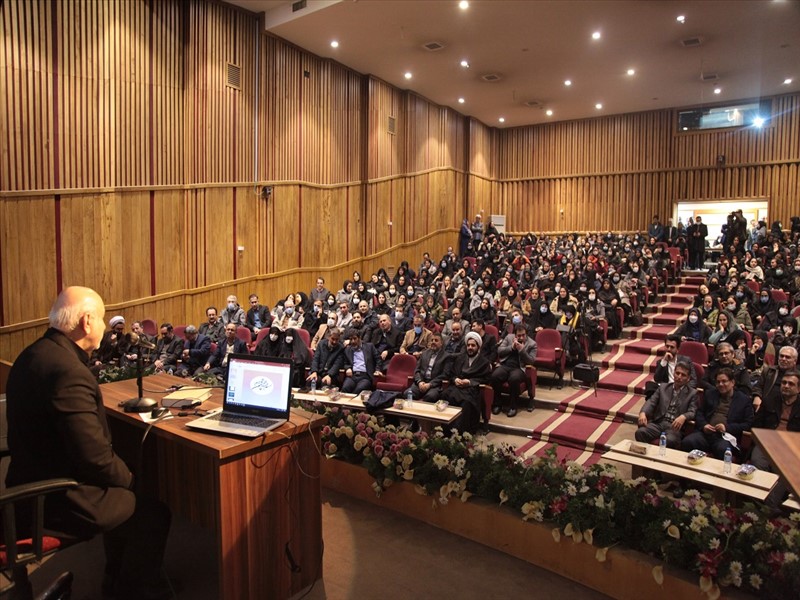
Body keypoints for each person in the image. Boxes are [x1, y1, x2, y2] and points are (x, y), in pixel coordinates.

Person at [5, 286, 172, 600]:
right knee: (150, 509)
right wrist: (132, 480)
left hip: (25, 483)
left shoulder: (32, 355)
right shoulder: (67, 371)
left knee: (124, 485)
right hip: (54, 500)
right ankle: (130, 592)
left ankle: (115, 582)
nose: (104, 326)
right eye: (103, 318)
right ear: (86, 321)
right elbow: (93, 458)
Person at [748, 371, 800, 509]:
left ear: (798, 389)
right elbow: (756, 424)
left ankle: (767, 506)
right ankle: (758, 502)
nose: (786, 386)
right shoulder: (770, 399)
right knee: (758, 462)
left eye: (791, 384)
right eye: (784, 383)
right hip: (767, 441)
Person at [681, 368, 754, 460]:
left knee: (722, 449)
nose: (720, 384)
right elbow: (699, 413)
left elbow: (747, 424)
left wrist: (726, 428)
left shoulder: (743, 400)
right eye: (718, 382)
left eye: (724, 381)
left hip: (726, 437)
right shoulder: (710, 394)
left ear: (732, 382)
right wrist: (704, 425)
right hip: (706, 434)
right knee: (687, 442)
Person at [635, 362, 697, 448]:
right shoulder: (663, 387)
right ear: (673, 373)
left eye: (683, 375)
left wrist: (683, 416)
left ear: (688, 378)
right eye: (677, 373)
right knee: (640, 432)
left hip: (674, 427)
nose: (679, 377)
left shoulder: (692, 393)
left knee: (670, 440)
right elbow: (651, 402)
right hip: (659, 423)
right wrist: (643, 413)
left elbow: (692, 411)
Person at [441, 332, 491, 434]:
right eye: (468, 345)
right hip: (456, 388)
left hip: (471, 390)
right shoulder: (460, 358)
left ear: (478, 347)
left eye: (473, 345)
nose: (470, 347)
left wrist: (469, 382)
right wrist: (455, 380)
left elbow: (486, 379)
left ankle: (460, 433)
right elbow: (452, 374)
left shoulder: (484, 362)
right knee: (444, 395)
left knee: (466, 402)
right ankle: (445, 430)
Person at [490, 326, 537, 417]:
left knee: (514, 379)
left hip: (519, 368)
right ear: (514, 335)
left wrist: (522, 350)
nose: (521, 338)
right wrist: (511, 347)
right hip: (505, 365)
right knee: (495, 376)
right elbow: (499, 351)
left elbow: (531, 361)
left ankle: (513, 406)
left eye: (523, 335)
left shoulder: (532, 344)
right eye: (519, 336)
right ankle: (497, 404)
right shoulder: (508, 338)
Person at [406, 333, 450, 403]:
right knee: (407, 393)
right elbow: (417, 370)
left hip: (434, 385)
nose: (433, 342)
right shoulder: (424, 353)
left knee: (430, 397)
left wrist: (430, 384)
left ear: (441, 343)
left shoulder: (446, 356)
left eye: (436, 340)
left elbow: (445, 375)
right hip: (421, 383)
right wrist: (419, 382)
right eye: (432, 340)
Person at [752, 346, 798, 412]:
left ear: (795, 361)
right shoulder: (768, 371)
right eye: (781, 356)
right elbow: (758, 387)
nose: (783, 359)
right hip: (765, 407)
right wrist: (757, 397)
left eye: (787, 357)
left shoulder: (797, 376)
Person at [342, 330, 380, 394]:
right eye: (351, 339)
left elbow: (378, 359)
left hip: (365, 376)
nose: (353, 341)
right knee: (345, 388)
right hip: (352, 376)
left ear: (359, 338)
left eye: (355, 339)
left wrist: (378, 370)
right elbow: (345, 363)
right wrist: (348, 368)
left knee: (359, 390)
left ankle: (350, 404)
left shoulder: (369, 347)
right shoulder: (348, 350)